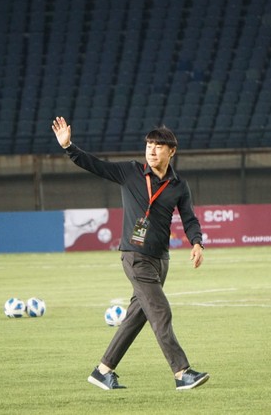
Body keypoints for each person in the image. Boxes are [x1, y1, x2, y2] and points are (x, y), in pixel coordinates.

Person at [51, 116, 209, 391]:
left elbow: (190, 219)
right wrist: (69, 147)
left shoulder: (179, 186)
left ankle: (102, 371)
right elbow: (95, 165)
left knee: (136, 318)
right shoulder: (130, 172)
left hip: (161, 260)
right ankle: (182, 372)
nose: (152, 149)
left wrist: (197, 242)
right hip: (135, 257)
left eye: (159, 146)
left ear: (171, 151)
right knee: (160, 311)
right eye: (149, 144)